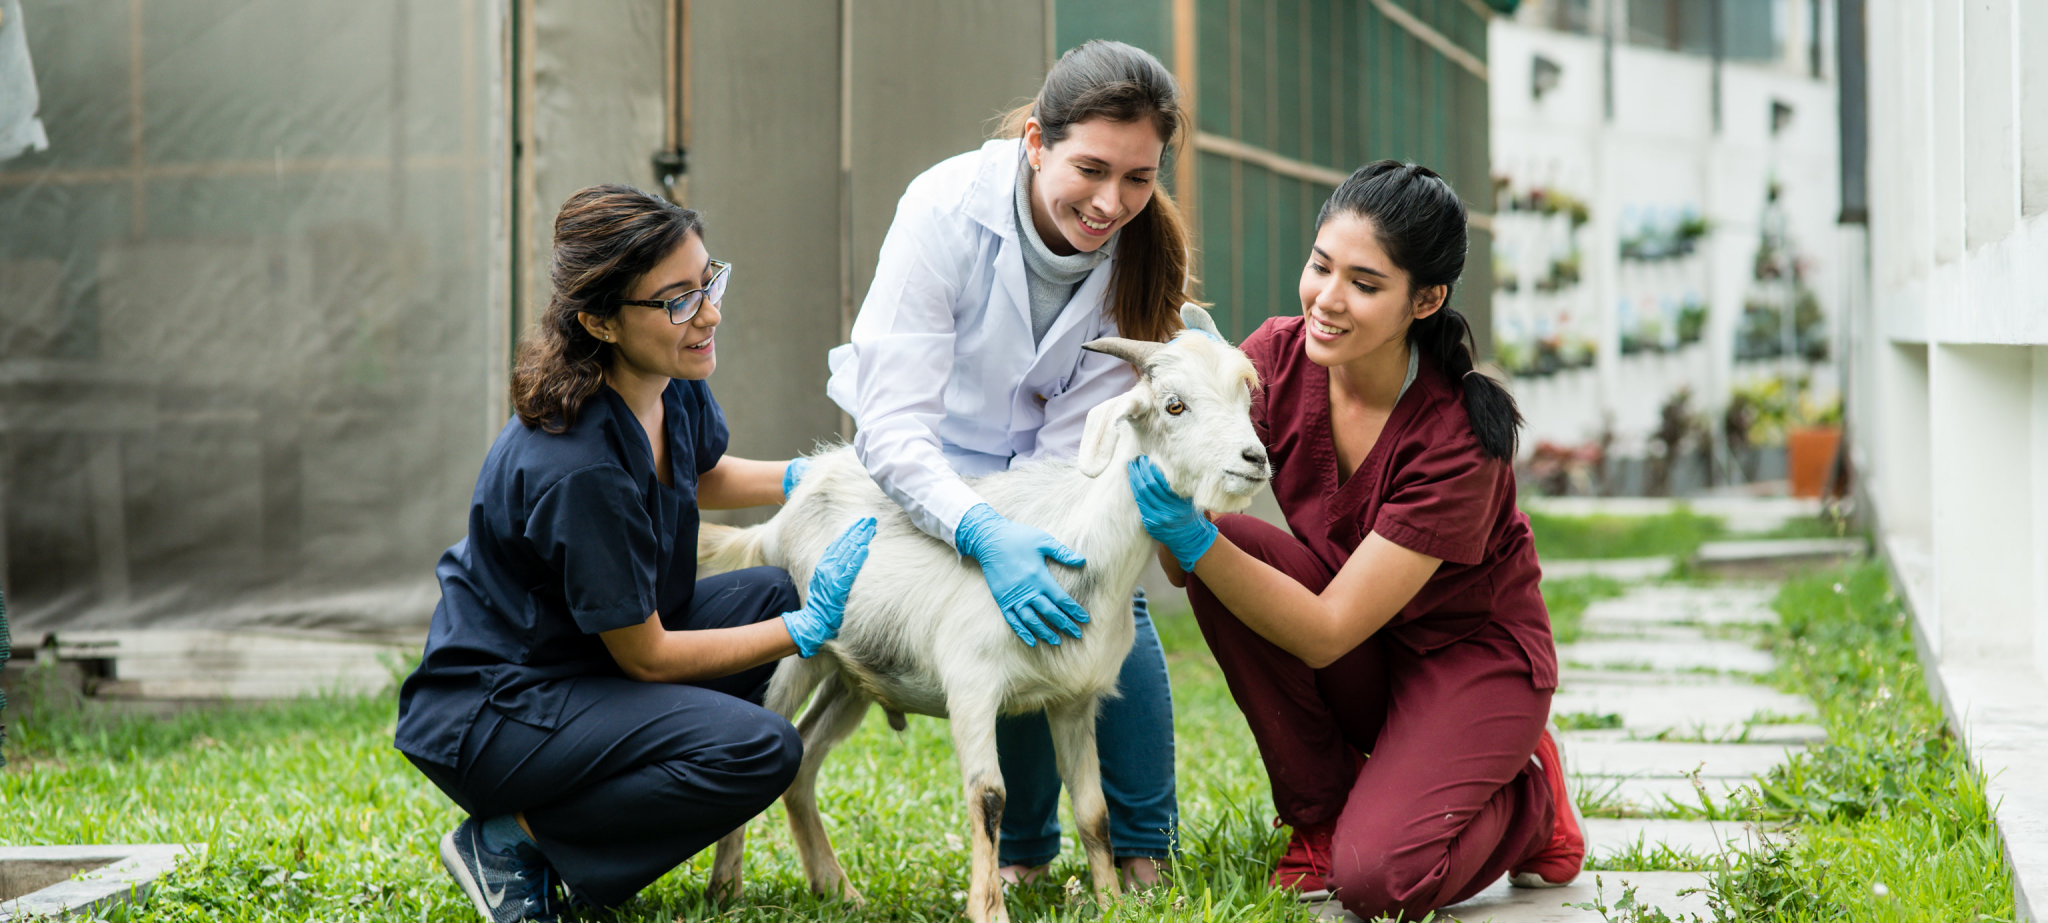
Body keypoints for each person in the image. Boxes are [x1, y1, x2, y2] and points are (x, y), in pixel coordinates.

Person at [394, 184, 876, 922]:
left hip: (583, 657)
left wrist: (806, 478)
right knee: (760, 747)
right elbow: (646, 658)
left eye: (710, 280)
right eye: (678, 300)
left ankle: (583, 818)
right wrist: (805, 631)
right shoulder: (579, 464)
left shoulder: (664, 380)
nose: (709, 313)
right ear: (600, 321)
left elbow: (697, 472)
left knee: (770, 591)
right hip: (501, 706)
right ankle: (513, 840)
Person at [1126, 162, 1585, 918]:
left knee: (1380, 883)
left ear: (1426, 299)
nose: (1327, 301)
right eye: (1320, 267)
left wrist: (1193, 538)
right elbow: (1188, 573)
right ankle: (1318, 814)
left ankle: (1530, 796)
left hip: (1469, 662)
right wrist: (1176, 490)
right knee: (1230, 542)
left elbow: (1327, 629)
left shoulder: (1457, 438)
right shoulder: (1272, 358)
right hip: (1368, 652)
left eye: (1365, 284)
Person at [822, 40, 1192, 885]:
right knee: (997, 618)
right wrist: (980, 527)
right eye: (1091, 168)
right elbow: (892, 427)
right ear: (1036, 140)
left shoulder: (1141, 255)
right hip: (933, 470)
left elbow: (1084, 443)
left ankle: (1142, 846)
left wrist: (1046, 529)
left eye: (1139, 178)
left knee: (1098, 605)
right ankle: (1023, 851)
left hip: (1055, 480)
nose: (1112, 202)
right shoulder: (944, 209)